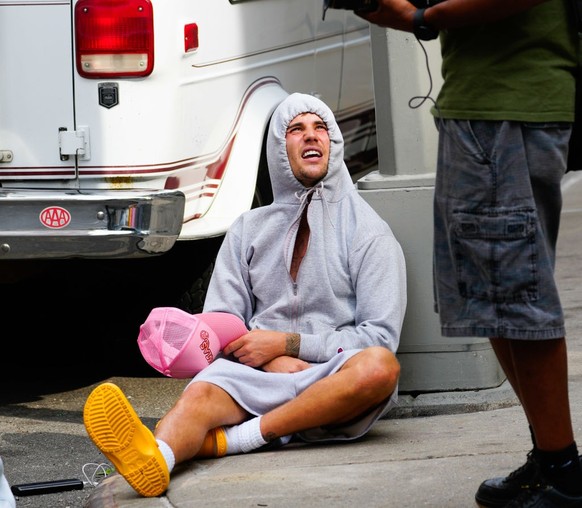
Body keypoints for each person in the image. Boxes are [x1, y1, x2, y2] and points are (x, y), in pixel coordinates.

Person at [83, 92, 407, 498]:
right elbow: (222, 323)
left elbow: (379, 337)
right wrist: (267, 359)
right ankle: (158, 459)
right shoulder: (247, 229)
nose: (311, 137)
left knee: (380, 368)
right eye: (296, 129)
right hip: (256, 376)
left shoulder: (369, 232)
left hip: (330, 380)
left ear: (334, 143)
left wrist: (290, 345)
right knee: (199, 395)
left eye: (320, 128)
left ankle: (240, 438)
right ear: (277, 147)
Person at [357, 1, 582, 506]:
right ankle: (551, 457)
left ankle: (565, 474)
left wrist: (420, 18)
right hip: (485, 108)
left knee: (519, 294)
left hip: (506, 108)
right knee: (493, 297)